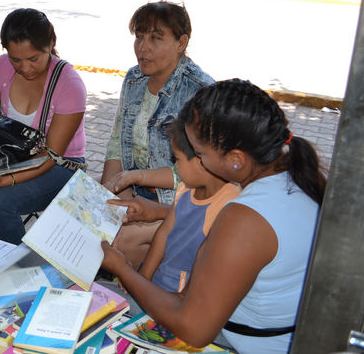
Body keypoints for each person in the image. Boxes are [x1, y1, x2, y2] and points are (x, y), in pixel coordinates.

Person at [101, 79, 326, 354]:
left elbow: (194, 329)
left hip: (241, 343)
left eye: (200, 153)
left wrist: (122, 268)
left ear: (236, 159)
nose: (198, 161)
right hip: (271, 333)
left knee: (99, 304)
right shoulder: (294, 176)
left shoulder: (245, 217)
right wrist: (159, 213)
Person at [0, 8, 87, 245]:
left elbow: (51, 155)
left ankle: (18, 264)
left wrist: (8, 179)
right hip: (12, 153)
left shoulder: (69, 84)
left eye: (34, 59)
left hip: (60, 164)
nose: (25, 68)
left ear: (50, 44)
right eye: (15, 59)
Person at [100, 0, 214, 269]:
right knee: (84, 224)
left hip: (177, 200)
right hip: (132, 186)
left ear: (181, 43)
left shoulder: (201, 92)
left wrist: (136, 178)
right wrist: (108, 192)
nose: (143, 47)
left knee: (119, 241)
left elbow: (202, 171)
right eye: (139, 37)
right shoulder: (134, 79)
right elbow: (117, 143)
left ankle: (143, 289)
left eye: (155, 38)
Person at [135, 118, 239, 296]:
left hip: (183, 296)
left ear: (202, 161)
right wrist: (142, 279)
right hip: (160, 284)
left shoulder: (228, 203)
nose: (175, 166)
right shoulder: (185, 188)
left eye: (177, 160)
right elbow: (164, 233)